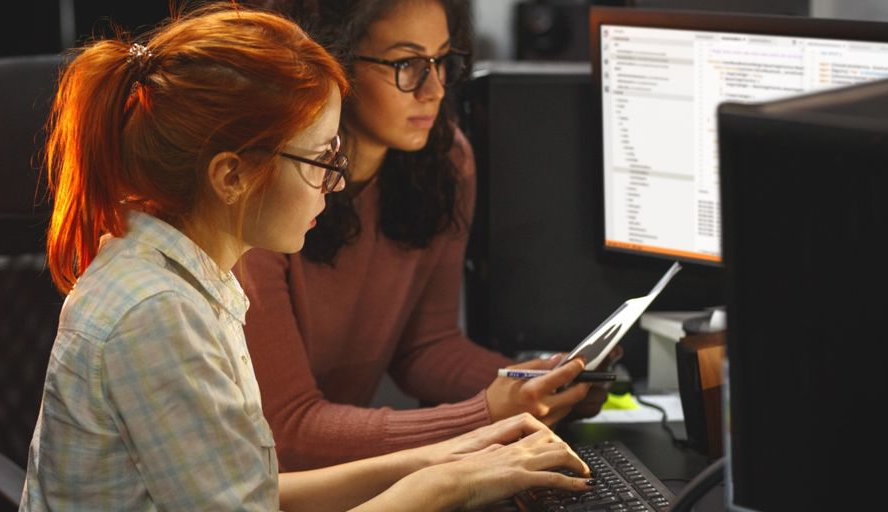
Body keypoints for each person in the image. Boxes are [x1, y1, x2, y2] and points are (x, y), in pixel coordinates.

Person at [21, 5, 596, 511]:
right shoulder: (157, 315)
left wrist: (455, 453)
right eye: (322, 159)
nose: (338, 183)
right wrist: (453, 486)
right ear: (231, 176)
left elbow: (253, 491)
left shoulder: (187, 278)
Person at [235, 0, 622, 470]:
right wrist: (488, 413)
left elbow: (424, 347)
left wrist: (534, 381)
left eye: (442, 61)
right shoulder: (262, 195)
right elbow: (287, 431)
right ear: (330, 62)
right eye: (406, 64)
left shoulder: (443, 161)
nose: (434, 89)